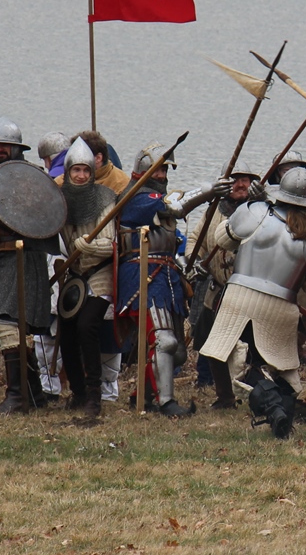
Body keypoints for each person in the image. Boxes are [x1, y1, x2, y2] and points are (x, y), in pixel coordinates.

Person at [199, 167, 306, 437]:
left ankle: (274, 407)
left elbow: (222, 239)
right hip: (282, 306)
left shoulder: (256, 212)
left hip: (240, 298)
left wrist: (249, 211)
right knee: (279, 368)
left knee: (245, 366)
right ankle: (281, 418)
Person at [115, 142, 231, 416]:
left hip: (166, 277)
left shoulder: (156, 201)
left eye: (165, 170)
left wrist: (187, 265)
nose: (162, 175)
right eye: (158, 170)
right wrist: (209, 191)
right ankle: (165, 402)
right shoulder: (134, 198)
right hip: (141, 275)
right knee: (164, 342)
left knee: (177, 351)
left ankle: (142, 395)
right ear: (143, 171)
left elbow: (170, 243)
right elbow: (175, 207)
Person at [0, 117, 55, 413]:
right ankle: (33, 395)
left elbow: (41, 213)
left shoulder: (31, 177)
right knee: (11, 324)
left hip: (24, 257)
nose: (0, 150)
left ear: (17, 148)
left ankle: (17, 396)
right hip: (0, 257)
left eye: (5, 145)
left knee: (8, 322)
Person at [184, 160, 258, 395]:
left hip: (248, 292)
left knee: (249, 342)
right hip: (216, 288)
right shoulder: (214, 209)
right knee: (208, 339)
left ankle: (249, 384)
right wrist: (195, 261)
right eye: (235, 180)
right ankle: (206, 382)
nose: (240, 184)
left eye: (245, 180)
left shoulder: (259, 211)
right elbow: (196, 240)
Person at [58, 138, 117, 416]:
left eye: (85, 170)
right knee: (67, 331)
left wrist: (89, 246)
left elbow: (111, 244)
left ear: (92, 172)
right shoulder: (61, 202)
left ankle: (95, 395)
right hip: (75, 275)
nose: (81, 175)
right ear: (68, 172)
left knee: (86, 326)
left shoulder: (104, 199)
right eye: (76, 170)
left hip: (100, 273)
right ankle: (79, 393)